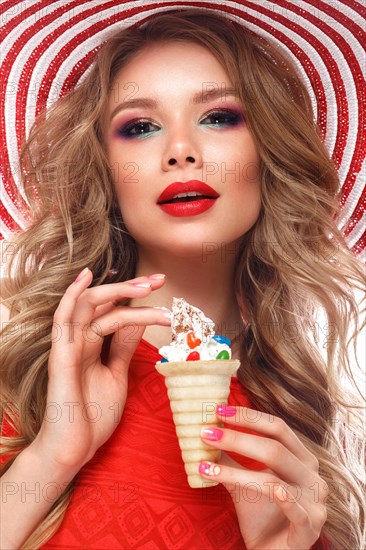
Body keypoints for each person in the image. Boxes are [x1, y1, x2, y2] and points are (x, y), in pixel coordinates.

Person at [0, 8, 364, 550]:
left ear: (270, 154)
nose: (181, 151)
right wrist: (53, 453)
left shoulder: (289, 437)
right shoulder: (32, 386)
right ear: (105, 173)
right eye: (140, 127)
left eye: (218, 116)